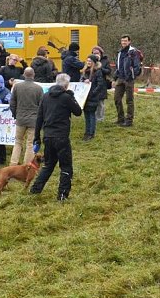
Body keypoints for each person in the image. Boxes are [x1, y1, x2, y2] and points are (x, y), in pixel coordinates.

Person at [29, 73, 82, 201]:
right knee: (66, 166)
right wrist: (72, 96)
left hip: (48, 136)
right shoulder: (66, 97)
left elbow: (39, 118)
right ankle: (62, 194)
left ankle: (35, 190)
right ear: (66, 85)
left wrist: (37, 137)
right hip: (61, 137)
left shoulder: (46, 96)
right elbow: (78, 112)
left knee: (48, 165)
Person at [10, 67, 43, 165]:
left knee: (18, 142)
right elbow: (42, 106)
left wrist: (16, 115)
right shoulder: (38, 88)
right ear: (33, 75)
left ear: (24, 75)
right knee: (30, 144)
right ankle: (27, 165)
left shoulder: (16, 87)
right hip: (34, 120)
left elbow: (12, 103)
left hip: (20, 118)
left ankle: (13, 164)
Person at [114, 35, 141, 127]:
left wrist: (132, 76)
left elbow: (137, 66)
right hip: (120, 78)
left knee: (129, 100)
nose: (123, 42)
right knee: (117, 99)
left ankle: (129, 120)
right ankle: (121, 118)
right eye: (122, 41)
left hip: (129, 79)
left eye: (125, 41)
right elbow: (118, 65)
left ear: (129, 42)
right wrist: (115, 77)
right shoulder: (119, 52)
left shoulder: (133, 52)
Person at [82, 54, 107, 140]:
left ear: (93, 62)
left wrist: (93, 93)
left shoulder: (97, 72)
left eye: (90, 61)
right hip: (85, 96)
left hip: (92, 96)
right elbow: (81, 80)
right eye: (87, 61)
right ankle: (87, 132)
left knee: (91, 115)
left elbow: (100, 85)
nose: (88, 62)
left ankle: (91, 133)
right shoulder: (85, 71)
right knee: (86, 116)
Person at [90, 45, 111, 122]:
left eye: (97, 53)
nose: (96, 54)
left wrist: (100, 68)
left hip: (102, 83)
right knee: (93, 102)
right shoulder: (91, 60)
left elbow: (108, 71)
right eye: (94, 53)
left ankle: (100, 118)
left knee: (100, 102)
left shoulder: (105, 61)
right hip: (92, 83)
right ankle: (93, 117)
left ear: (101, 53)